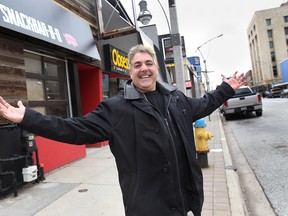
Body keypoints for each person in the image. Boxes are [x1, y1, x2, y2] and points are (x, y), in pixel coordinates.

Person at [0, 44, 246, 216]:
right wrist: (28, 118)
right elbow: (73, 129)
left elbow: (204, 105)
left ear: (157, 68)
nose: (144, 69)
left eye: (149, 63)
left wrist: (226, 89)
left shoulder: (177, 99)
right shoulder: (115, 109)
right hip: (147, 207)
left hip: (184, 201)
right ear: (130, 72)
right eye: (137, 65)